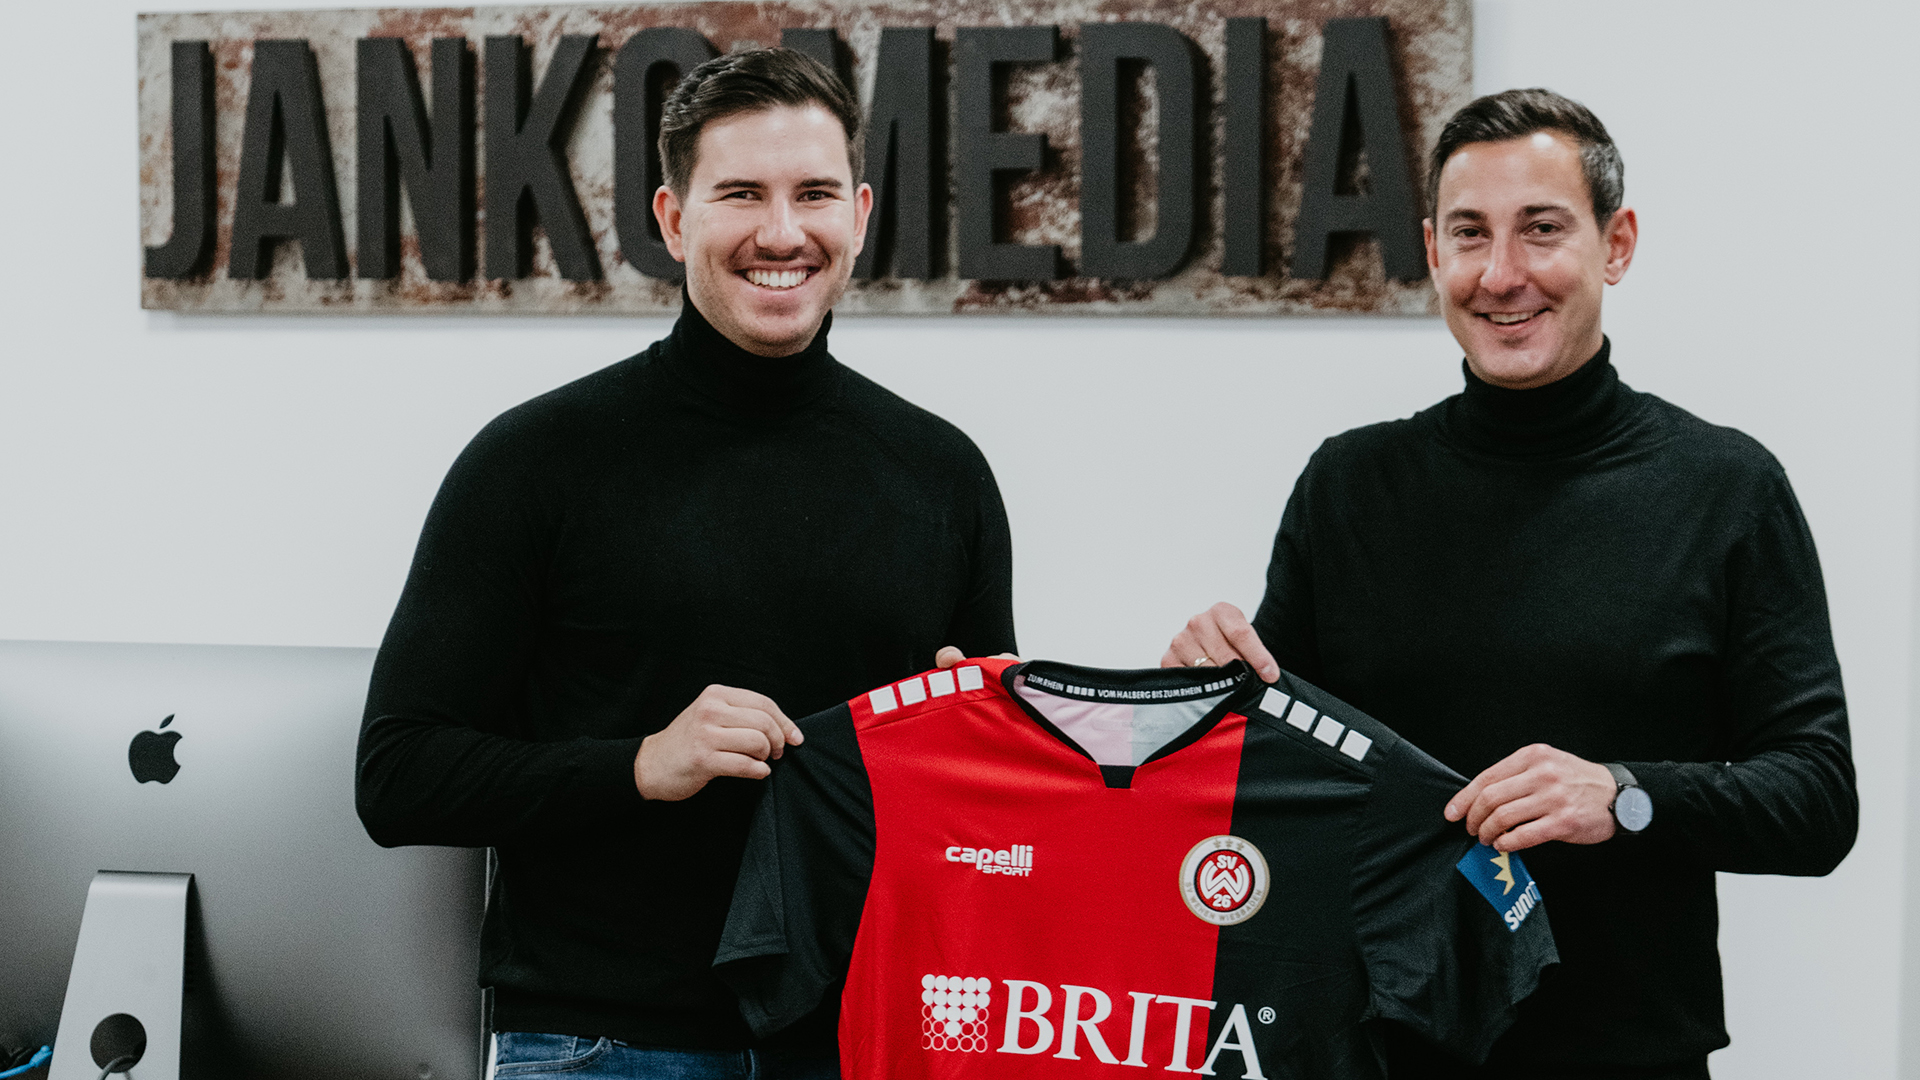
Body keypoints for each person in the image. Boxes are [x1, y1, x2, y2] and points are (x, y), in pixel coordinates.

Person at [1163, 89, 1856, 1078]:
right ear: (1432, 252)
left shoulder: (1726, 489)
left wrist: (1623, 796)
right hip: (1377, 1050)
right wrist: (1206, 700)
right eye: (1469, 234)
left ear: (1616, 245)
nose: (1501, 275)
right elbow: (1277, 780)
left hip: (1623, 1059)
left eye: (1541, 230)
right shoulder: (1350, 485)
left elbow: (1818, 802)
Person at [354, 48, 1016, 1080]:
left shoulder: (944, 475)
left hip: (868, 1037)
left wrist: (979, 742)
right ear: (672, 219)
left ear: (860, 215)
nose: (782, 233)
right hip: (601, 1042)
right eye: (741, 194)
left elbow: (996, 819)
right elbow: (399, 776)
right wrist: (639, 765)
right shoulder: (534, 461)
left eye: (814, 195)